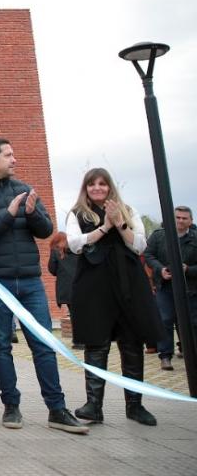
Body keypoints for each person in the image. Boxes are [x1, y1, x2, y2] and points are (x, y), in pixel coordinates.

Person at [0, 137, 86, 434]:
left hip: (30, 280)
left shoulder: (25, 190)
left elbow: (46, 231)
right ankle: (11, 406)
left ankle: (57, 408)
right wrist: (9, 214)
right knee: (1, 345)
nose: (14, 160)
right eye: (8, 155)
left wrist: (31, 212)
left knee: (43, 344)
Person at [65, 168, 162, 426]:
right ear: (85, 188)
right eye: (92, 185)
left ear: (110, 187)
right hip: (94, 286)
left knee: (131, 345)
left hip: (128, 284)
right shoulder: (77, 214)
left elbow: (139, 244)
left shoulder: (128, 211)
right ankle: (93, 406)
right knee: (96, 345)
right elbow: (76, 244)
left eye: (102, 184)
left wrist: (119, 224)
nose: (97, 189)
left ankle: (135, 406)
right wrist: (104, 227)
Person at [143, 206, 197, 371]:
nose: (180, 221)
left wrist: (188, 269)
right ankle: (165, 356)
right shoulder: (159, 236)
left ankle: (192, 354)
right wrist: (160, 269)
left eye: (184, 218)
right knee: (165, 320)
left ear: (191, 221)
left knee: (192, 322)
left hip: (190, 288)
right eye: (177, 217)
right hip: (165, 287)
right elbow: (148, 255)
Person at [46, 232, 81, 349]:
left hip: (67, 288)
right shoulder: (77, 250)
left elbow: (52, 269)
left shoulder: (56, 252)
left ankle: (79, 342)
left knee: (74, 314)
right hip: (81, 284)